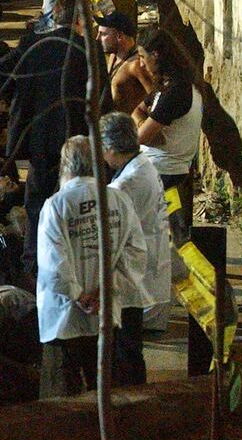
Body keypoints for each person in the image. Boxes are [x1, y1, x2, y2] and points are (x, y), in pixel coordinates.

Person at [37, 136, 146, 397]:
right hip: (105, 315)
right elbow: (136, 254)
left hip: (64, 320)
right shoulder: (119, 200)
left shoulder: (56, 205)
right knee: (106, 395)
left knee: (63, 402)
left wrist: (79, 295)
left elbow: (53, 266)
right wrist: (105, 291)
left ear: (65, 165)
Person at [0, 0, 89, 270]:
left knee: (36, 202)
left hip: (38, 136)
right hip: (75, 137)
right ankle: (70, 261)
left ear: (54, 18)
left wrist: (21, 93)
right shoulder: (87, 51)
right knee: (73, 200)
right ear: (80, 20)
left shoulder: (32, 45)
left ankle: (33, 262)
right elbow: (101, 99)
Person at [100, 111, 170, 382]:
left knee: (126, 349)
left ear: (110, 148)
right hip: (143, 265)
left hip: (132, 273)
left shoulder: (125, 184)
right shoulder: (143, 165)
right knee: (129, 346)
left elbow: (112, 236)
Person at [132, 25, 202, 231]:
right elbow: (137, 110)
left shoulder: (175, 92)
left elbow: (140, 138)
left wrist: (143, 127)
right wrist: (143, 123)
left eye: (142, 57)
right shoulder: (167, 86)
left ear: (156, 55)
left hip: (163, 171)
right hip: (159, 167)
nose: (141, 64)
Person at [95, 10, 154, 113]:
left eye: (103, 34)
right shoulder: (113, 57)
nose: (97, 38)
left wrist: (141, 119)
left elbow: (156, 99)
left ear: (119, 36)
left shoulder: (137, 65)